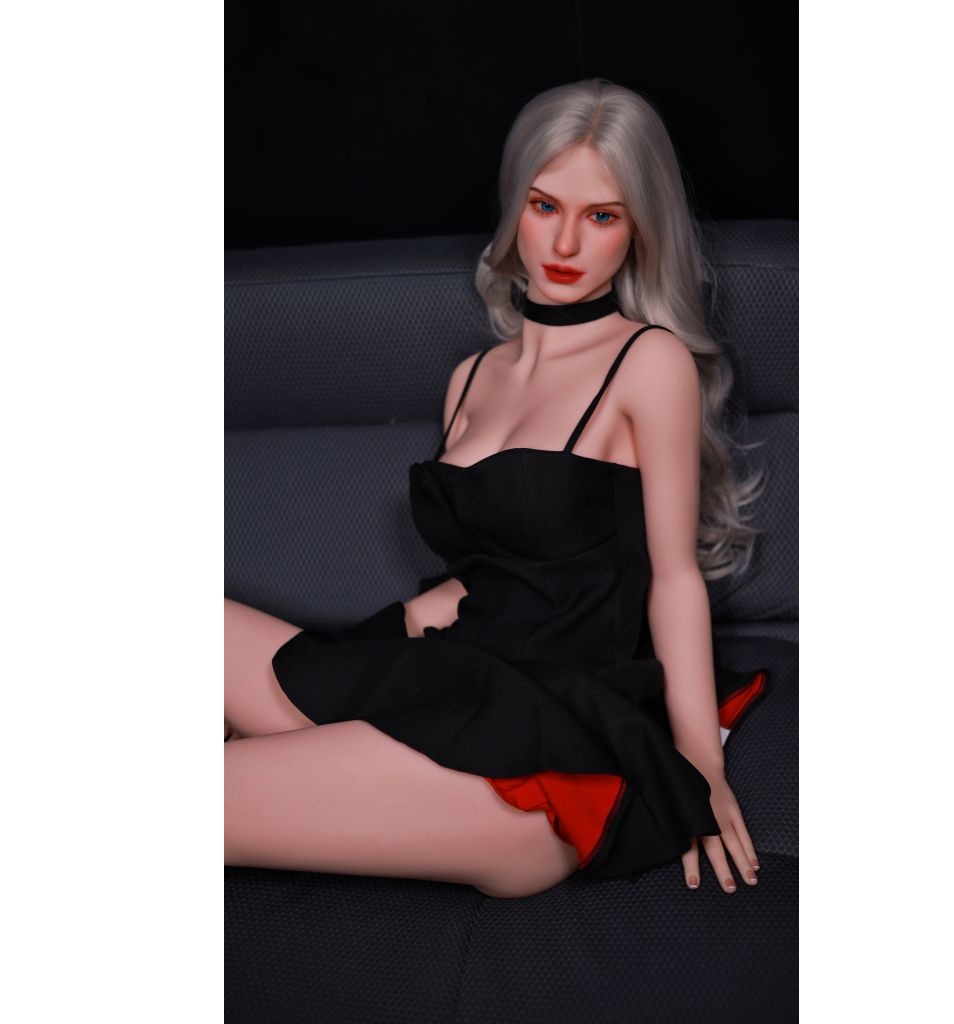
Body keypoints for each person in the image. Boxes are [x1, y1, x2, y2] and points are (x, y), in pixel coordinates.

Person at [225, 78, 769, 900]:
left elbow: (674, 578)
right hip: (455, 675)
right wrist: (367, 651)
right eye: (546, 206)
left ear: (640, 229)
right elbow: (490, 577)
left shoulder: (648, 361)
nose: (566, 242)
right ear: (516, 205)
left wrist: (698, 763)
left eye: (602, 216)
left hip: (541, 742)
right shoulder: (470, 379)